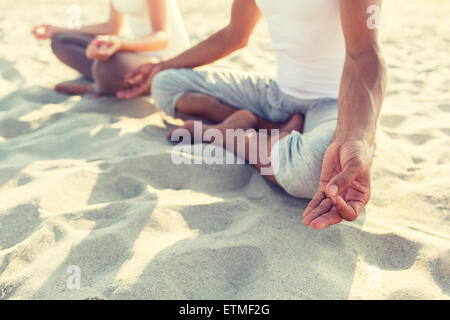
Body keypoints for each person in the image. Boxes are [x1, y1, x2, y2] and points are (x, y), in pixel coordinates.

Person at [117, 0, 387, 230]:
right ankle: (263, 126)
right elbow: (234, 35)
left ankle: (225, 136)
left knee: (315, 170)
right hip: (276, 95)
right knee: (165, 83)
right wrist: (162, 66)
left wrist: (357, 138)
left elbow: (365, 52)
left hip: (335, 105)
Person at [32, 0, 189, 95]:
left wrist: (120, 45)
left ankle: (94, 87)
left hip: (165, 58)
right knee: (60, 41)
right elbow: (111, 28)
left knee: (108, 66)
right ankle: (109, 80)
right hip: (137, 53)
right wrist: (58, 29)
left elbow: (162, 37)